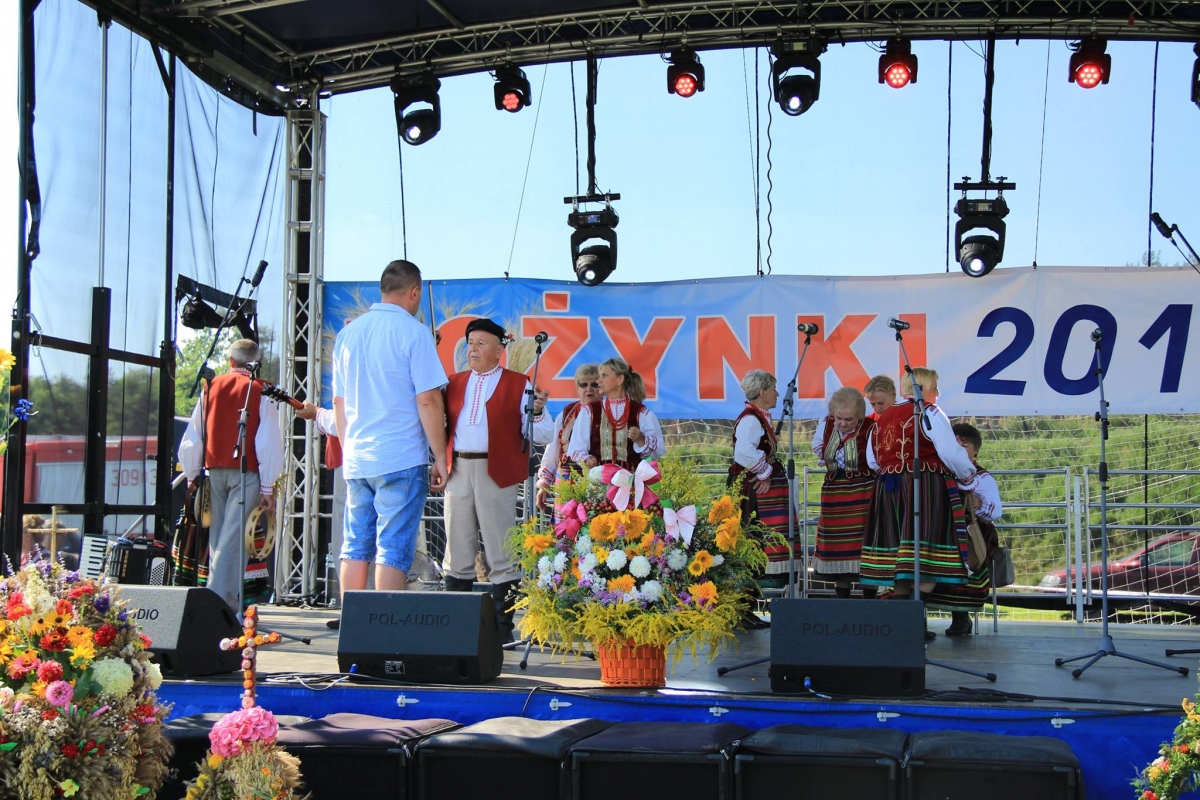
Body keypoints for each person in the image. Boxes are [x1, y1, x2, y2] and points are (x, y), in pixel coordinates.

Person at [330, 260, 449, 628]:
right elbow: (428, 400)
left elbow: (338, 402)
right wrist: (440, 456)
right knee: (393, 547)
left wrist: (350, 449)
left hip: (358, 456)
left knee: (355, 544)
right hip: (399, 456)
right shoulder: (414, 333)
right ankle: (384, 630)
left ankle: (353, 627)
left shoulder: (348, 334)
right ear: (414, 292)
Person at [442, 317, 554, 642]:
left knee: (501, 549)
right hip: (457, 467)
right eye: (469, 343)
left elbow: (544, 434)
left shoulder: (520, 383)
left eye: (481, 343)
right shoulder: (452, 382)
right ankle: (457, 629)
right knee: (457, 548)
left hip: (497, 469)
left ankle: (503, 629)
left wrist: (535, 412)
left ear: (498, 349)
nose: (472, 349)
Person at [860, 367, 977, 638]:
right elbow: (951, 453)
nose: (938, 392)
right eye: (935, 387)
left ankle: (907, 627)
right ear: (922, 388)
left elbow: (872, 461)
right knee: (928, 555)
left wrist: (894, 469)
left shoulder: (881, 419)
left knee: (901, 560)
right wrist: (967, 478)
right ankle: (913, 623)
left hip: (888, 490)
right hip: (923, 486)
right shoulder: (930, 413)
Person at [179, 338, 284, 613]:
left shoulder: (210, 387)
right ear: (257, 363)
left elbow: (194, 435)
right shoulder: (260, 390)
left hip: (214, 470)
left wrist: (192, 473)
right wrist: (267, 486)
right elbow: (268, 441)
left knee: (220, 539)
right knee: (234, 540)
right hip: (245, 471)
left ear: (230, 360)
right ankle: (217, 606)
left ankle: (224, 605)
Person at [927, 422, 1003, 636]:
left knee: (959, 560)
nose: (959, 450)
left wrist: (979, 503)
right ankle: (917, 620)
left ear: (976, 450)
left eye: (965, 445)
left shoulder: (981, 477)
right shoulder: (934, 473)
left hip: (969, 535)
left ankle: (961, 618)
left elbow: (995, 511)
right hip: (937, 532)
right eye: (955, 445)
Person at [810, 386, 877, 598]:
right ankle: (842, 600)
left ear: (859, 416)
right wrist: (827, 458)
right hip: (833, 493)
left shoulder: (871, 428)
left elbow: (876, 459)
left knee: (864, 544)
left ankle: (869, 600)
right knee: (836, 545)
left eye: (849, 419)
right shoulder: (826, 424)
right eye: (839, 418)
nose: (842, 423)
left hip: (863, 492)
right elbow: (817, 446)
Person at [567, 357, 666, 470]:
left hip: (632, 478)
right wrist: (587, 459)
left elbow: (656, 453)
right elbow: (576, 447)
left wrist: (641, 440)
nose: (598, 381)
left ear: (620, 379)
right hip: (599, 478)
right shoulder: (589, 411)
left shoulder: (641, 413)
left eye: (604, 376)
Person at [536, 363, 601, 516]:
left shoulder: (609, 413)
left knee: (596, 526)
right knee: (565, 527)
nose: (589, 389)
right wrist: (544, 484)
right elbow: (552, 451)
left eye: (594, 384)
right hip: (566, 481)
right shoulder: (566, 413)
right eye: (584, 385)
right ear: (577, 388)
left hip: (596, 481)